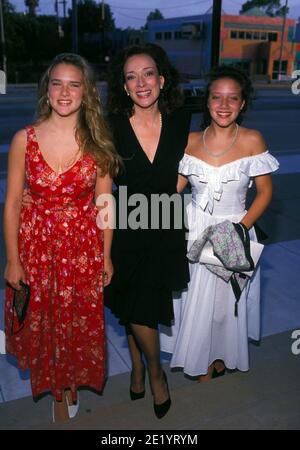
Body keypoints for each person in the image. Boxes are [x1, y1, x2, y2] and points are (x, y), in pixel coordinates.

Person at [4, 53, 121, 422]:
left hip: (82, 248)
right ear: (47, 89)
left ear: (86, 92)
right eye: (57, 83)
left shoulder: (97, 143)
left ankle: (69, 382)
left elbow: (105, 204)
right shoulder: (25, 138)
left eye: (74, 84)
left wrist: (106, 255)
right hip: (36, 247)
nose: (65, 91)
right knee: (45, 320)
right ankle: (56, 387)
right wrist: (12, 259)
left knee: (75, 320)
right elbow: (10, 204)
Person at [160, 65, 279, 381]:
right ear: (207, 101)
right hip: (195, 228)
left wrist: (239, 229)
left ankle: (220, 355)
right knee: (195, 298)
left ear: (242, 104)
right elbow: (175, 189)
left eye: (232, 98)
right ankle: (198, 357)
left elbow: (265, 192)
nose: (223, 105)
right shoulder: (190, 140)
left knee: (226, 302)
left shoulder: (253, 140)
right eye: (216, 97)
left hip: (235, 228)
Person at [105, 43, 191, 418]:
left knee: (142, 305)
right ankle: (156, 373)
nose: (141, 83)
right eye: (131, 76)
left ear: (162, 78)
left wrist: (182, 182)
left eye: (148, 73)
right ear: (124, 87)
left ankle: (140, 367)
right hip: (127, 228)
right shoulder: (111, 126)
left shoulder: (181, 119)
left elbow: (199, 156)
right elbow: (100, 184)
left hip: (167, 223)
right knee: (135, 303)